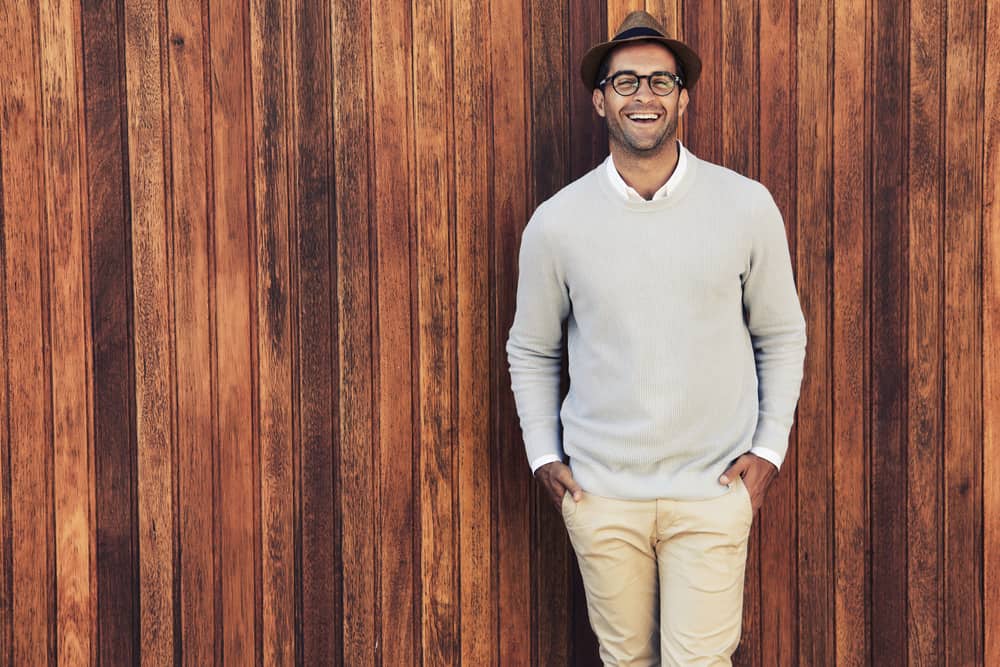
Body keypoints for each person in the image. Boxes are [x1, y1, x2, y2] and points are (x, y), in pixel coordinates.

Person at [505, 10, 807, 666]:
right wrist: (542, 454)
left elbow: (781, 332)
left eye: (660, 81)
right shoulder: (557, 223)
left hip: (712, 491)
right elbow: (531, 347)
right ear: (599, 98)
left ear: (683, 96)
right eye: (626, 81)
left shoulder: (746, 206)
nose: (644, 95)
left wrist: (769, 448)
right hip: (602, 493)